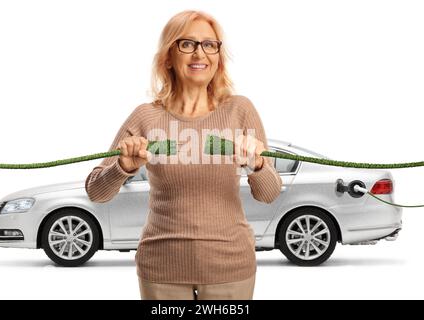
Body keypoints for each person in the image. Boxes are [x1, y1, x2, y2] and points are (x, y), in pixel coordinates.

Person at [85, 10, 282, 300]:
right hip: (161, 270)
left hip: (229, 269)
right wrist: (122, 168)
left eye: (209, 44)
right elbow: (95, 191)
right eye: (187, 44)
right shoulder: (146, 117)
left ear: (218, 56)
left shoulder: (239, 110)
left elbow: (270, 193)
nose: (199, 53)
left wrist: (258, 164)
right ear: (168, 57)